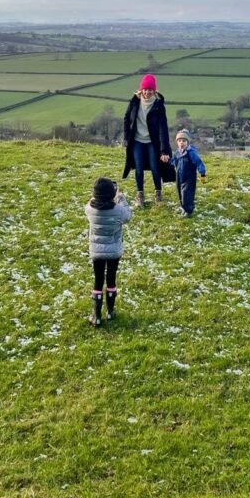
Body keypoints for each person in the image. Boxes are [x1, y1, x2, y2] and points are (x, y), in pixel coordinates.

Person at [84, 177, 132, 326]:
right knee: (111, 279)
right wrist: (121, 197)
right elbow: (128, 216)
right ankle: (110, 312)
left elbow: (91, 201)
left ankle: (96, 316)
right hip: (114, 251)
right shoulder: (118, 211)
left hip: (96, 251)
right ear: (112, 194)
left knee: (98, 280)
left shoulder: (89, 209)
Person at [122, 73, 171, 206]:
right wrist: (126, 137)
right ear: (141, 89)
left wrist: (164, 149)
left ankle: (158, 194)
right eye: (145, 89)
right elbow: (126, 119)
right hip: (137, 140)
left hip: (152, 142)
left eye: (150, 89)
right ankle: (140, 195)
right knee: (138, 168)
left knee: (155, 167)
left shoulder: (158, 105)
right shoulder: (134, 101)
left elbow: (163, 128)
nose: (147, 92)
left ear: (154, 91)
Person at [171, 128, 206, 217]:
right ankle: (184, 207)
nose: (181, 143)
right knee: (180, 192)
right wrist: (166, 161)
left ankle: (189, 210)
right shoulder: (177, 153)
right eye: (179, 141)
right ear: (177, 143)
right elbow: (173, 161)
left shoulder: (191, 153)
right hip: (179, 176)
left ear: (188, 142)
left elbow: (199, 162)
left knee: (187, 193)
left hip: (190, 177)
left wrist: (202, 175)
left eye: (184, 141)